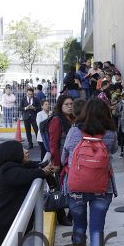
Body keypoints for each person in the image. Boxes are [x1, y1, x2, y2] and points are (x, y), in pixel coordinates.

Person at [62, 98, 118, 246]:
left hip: (76, 187)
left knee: (78, 225)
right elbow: (113, 151)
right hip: (102, 188)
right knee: (96, 229)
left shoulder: (75, 131)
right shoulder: (110, 134)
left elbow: (63, 158)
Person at [0, 141, 55, 246]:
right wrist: (43, 172)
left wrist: (43, 166)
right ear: (12, 154)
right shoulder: (7, 172)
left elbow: (31, 166)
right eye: (21, 149)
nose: (26, 151)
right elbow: (25, 175)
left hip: (2, 224)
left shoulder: (16, 167)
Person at [49, 95, 75, 226]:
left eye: (71, 104)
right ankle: (62, 217)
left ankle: (71, 214)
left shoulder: (73, 119)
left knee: (74, 189)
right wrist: (56, 163)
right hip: (62, 162)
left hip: (74, 162)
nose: (70, 106)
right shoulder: (56, 120)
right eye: (67, 104)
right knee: (61, 191)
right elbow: (53, 144)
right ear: (60, 106)